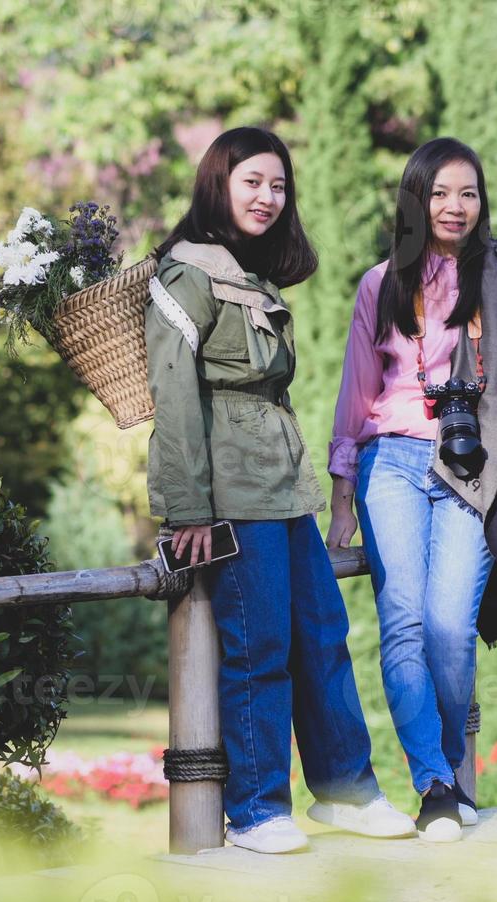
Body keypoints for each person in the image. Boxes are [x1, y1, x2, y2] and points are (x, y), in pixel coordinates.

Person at [145, 126, 415, 853]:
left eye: (277, 184)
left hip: (283, 485)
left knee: (323, 636)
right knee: (256, 645)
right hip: (229, 491)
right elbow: (172, 395)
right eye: (251, 182)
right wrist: (189, 507)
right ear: (217, 185)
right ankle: (257, 808)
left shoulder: (247, 274)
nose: (267, 196)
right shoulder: (187, 274)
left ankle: (345, 790)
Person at [327, 137, 497, 842]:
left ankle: (443, 769)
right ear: (415, 201)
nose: (454, 206)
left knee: (450, 629)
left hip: (472, 469)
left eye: (467, 193)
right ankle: (436, 783)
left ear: (481, 202)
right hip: (389, 462)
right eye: (439, 193)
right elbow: (354, 396)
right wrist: (340, 499)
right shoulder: (378, 283)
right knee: (404, 623)